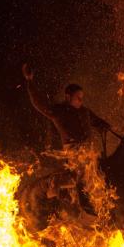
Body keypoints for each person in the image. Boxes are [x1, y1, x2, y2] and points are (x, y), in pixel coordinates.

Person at [22, 64, 111, 210]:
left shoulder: (85, 112)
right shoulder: (58, 111)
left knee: (100, 173)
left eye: (82, 98)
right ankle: (54, 186)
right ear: (68, 97)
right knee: (80, 177)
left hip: (89, 151)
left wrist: (104, 125)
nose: (81, 101)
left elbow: (97, 121)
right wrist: (29, 82)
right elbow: (39, 104)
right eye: (78, 98)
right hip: (73, 152)